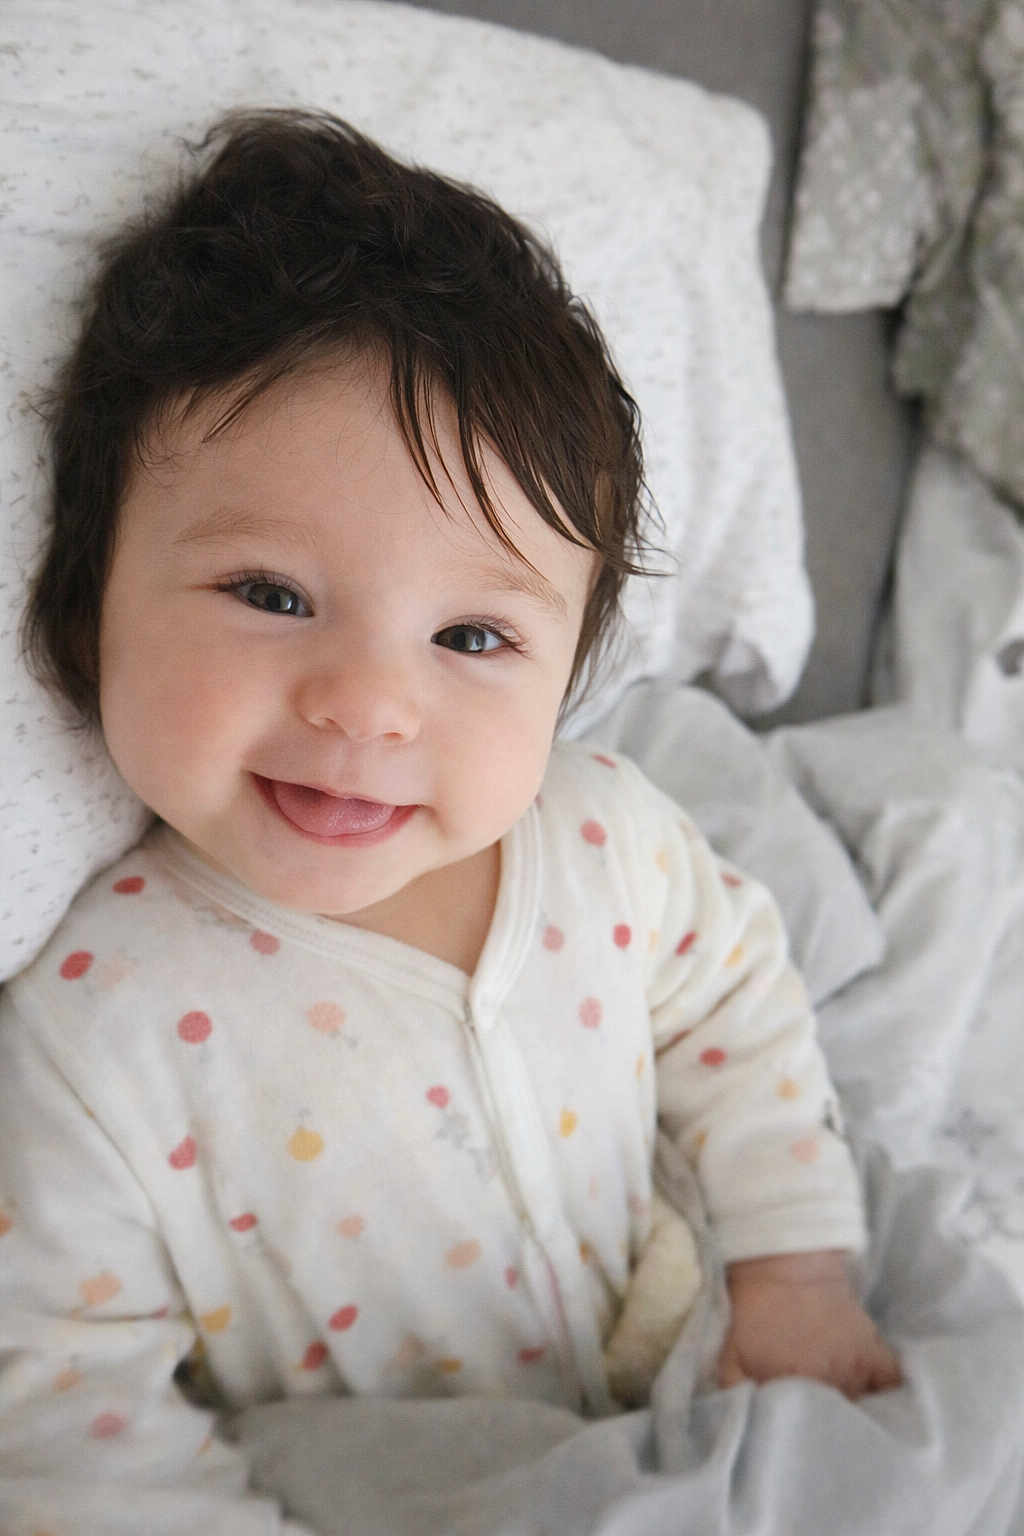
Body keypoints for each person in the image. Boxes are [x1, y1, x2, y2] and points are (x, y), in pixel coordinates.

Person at [0, 108, 900, 1527]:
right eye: (272, 595)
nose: (368, 706)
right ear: (81, 604)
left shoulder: (604, 841)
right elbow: (61, 1411)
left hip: (681, 1366)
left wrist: (794, 1270)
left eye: (474, 637)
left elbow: (738, 1015)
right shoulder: (91, 1034)